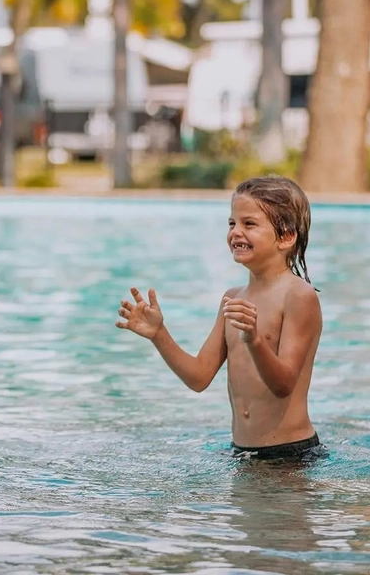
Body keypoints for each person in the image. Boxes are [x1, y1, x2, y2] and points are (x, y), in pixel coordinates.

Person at [115, 175, 325, 461]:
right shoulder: (233, 298)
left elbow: (284, 385)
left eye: (249, 224)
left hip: (289, 456)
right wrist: (159, 334)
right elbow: (199, 377)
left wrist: (254, 340)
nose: (236, 232)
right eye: (231, 223)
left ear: (286, 236)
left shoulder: (299, 296)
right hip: (241, 454)